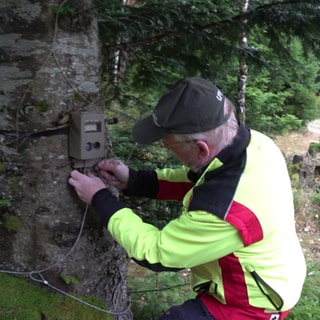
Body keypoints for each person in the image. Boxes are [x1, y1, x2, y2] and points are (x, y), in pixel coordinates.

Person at [68, 77, 306, 320]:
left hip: (250, 304)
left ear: (202, 149)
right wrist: (135, 180)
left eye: (170, 145)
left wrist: (100, 198)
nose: (165, 145)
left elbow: (156, 253)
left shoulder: (226, 212)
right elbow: (202, 179)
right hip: (276, 275)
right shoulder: (256, 145)